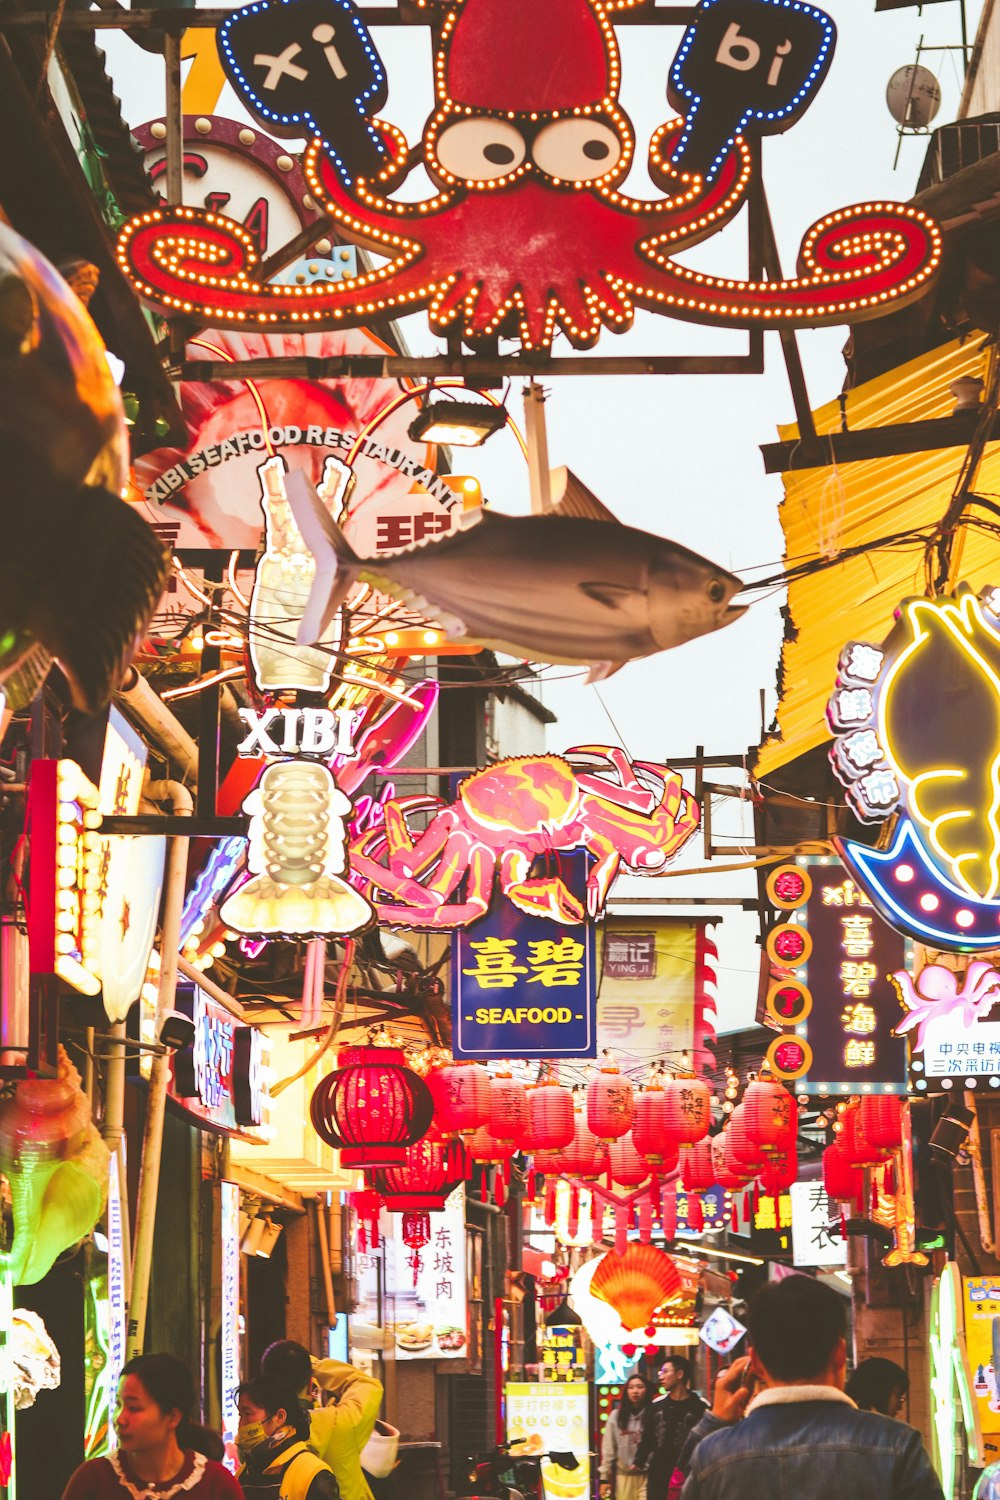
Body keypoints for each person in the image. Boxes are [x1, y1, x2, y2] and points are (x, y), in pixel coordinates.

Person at [679, 1275, 944, 1499]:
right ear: (840, 1354)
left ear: (756, 1362)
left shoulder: (713, 1456)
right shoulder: (896, 1444)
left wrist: (713, 1422)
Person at [61, 1352, 244, 1499]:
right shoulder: (94, 1479)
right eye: (118, 1405)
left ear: (172, 1417)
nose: (120, 1419)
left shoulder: (216, 1485)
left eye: (134, 1408)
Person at [260, 1340, 383, 1500]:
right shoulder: (340, 1421)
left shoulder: (257, 1433)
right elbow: (368, 1385)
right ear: (311, 1384)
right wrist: (313, 1365)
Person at [236, 1375, 339, 1499]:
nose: (241, 1424)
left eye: (248, 1414)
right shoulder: (243, 1473)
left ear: (279, 1417)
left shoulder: (313, 1473)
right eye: (240, 1415)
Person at [635, 1356, 706, 1500]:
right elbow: (648, 1438)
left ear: (680, 1374)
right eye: (660, 1372)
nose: (661, 1376)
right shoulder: (656, 1407)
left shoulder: (700, 1407)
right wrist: (639, 1460)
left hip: (689, 1473)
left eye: (665, 1371)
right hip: (659, 1474)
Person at [600, 1375, 653, 1500]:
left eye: (640, 1387)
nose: (635, 1391)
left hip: (647, 1476)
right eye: (631, 1387)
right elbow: (608, 1449)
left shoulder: (653, 1414)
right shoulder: (616, 1416)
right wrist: (604, 1478)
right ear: (626, 1392)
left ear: (647, 1390)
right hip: (623, 1476)